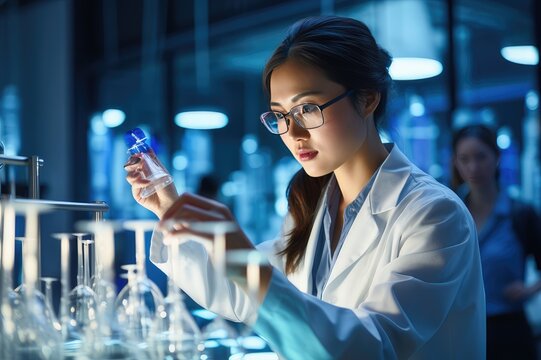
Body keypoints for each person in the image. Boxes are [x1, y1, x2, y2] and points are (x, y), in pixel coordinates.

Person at [125, 16, 485, 359]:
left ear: (367, 99)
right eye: (279, 115)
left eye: (308, 108)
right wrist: (169, 209)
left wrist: (239, 256)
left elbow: (373, 347)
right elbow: (241, 295)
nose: (293, 134)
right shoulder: (314, 209)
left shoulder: (434, 214)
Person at [452, 124, 541, 359]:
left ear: (497, 157)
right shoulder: (449, 212)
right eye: (464, 159)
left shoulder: (520, 213)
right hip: (462, 328)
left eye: (481, 157)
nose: (473, 167)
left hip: (509, 329)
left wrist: (529, 290)